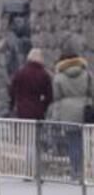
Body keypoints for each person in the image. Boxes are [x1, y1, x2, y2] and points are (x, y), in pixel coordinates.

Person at [49, 47, 94, 179]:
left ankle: (76, 170)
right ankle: (89, 169)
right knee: (87, 142)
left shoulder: (58, 78)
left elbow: (56, 98)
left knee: (73, 142)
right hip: (86, 111)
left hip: (67, 113)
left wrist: (55, 119)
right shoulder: (87, 75)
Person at [8, 48, 52, 120]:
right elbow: (49, 96)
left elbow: (12, 91)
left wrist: (12, 106)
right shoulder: (44, 75)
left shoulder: (20, 73)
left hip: (21, 110)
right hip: (37, 112)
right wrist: (43, 107)